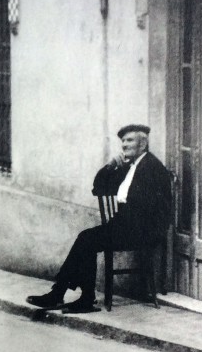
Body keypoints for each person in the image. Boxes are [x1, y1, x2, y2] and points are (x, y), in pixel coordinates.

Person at [26, 124, 172, 313]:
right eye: (123, 141)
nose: (124, 145)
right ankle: (68, 294)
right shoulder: (130, 167)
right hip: (125, 227)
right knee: (86, 239)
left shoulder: (152, 168)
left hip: (142, 231)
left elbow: (156, 210)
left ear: (143, 144)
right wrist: (111, 166)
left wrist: (129, 224)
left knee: (87, 239)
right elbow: (98, 188)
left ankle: (70, 296)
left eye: (130, 140)